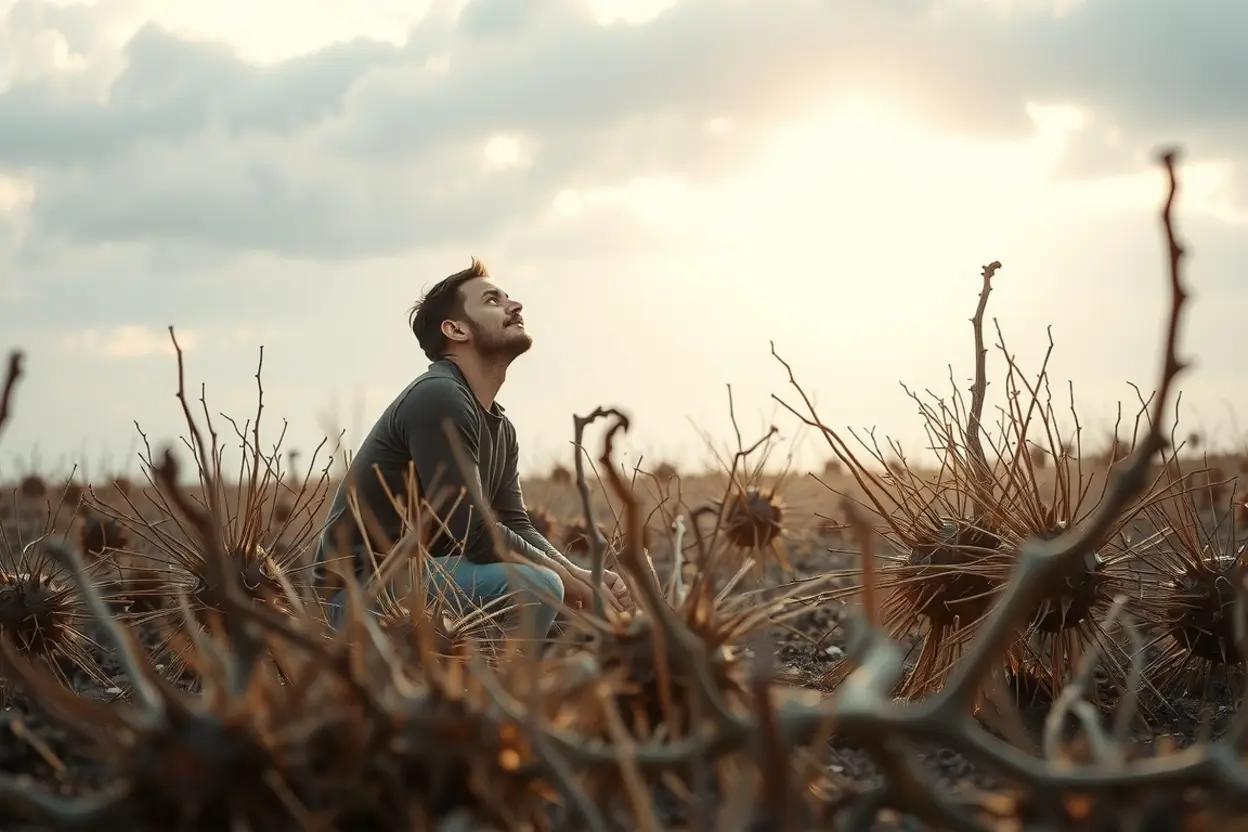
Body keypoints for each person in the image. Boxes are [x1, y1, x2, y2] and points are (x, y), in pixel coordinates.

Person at [312, 257, 634, 637]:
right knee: (541, 588)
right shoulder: (438, 396)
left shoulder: (501, 427)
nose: (515, 306)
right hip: (358, 597)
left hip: (432, 581)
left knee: (582, 619)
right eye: (493, 301)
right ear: (456, 330)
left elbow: (516, 524)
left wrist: (581, 574)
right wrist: (572, 584)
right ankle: (502, 694)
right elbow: (475, 534)